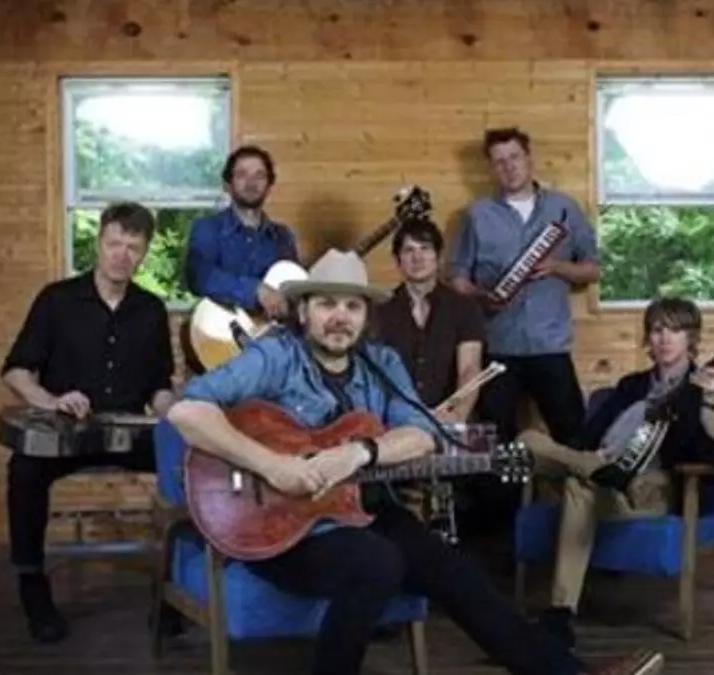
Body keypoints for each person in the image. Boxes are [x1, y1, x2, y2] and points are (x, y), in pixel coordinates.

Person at [166, 249, 664, 675]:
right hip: (280, 528)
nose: (339, 317)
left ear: (365, 315)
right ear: (303, 311)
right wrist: (273, 466)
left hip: (361, 511)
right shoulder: (276, 356)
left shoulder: (381, 364)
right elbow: (188, 411)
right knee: (377, 562)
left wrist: (360, 452)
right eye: (326, 304)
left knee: (456, 570)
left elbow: (422, 433)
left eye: (351, 306)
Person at [0, 202, 176, 644]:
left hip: (131, 432)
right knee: (24, 469)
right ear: (99, 243)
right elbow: (16, 372)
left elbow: (159, 387)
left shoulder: (151, 309)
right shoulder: (56, 300)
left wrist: (177, 415)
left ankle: (177, 593)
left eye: (133, 247)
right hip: (69, 434)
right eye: (114, 243)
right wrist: (53, 401)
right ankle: (33, 587)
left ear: (144, 252)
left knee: (190, 464)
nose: (122, 254)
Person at [518, 297, 714, 649]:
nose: (664, 338)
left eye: (675, 330)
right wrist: (592, 457)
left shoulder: (711, 388)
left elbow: (708, 455)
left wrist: (708, 402)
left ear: (691, 338)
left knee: (570, 475)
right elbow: (588, 437)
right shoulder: (631, 386)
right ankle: (560, 616)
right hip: (605, 482)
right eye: (657, 330)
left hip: (650, 489)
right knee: (530, 441)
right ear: (648, 338)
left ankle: (559, 611)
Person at [448, 125, 600, 524]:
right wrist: (482, 295)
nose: (509, 167)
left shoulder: (564, 209)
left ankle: (585, 523)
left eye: (514, 157)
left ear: (529, 158)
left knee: (573, 436)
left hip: (550, 345)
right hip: (497, 345)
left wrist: (557, 267)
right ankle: (505, 529)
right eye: (499, 162)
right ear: (491, 168)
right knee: (497, 443)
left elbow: (592, 269)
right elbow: (458, 278)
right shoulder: (476, 215)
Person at [371, 216, 486, 541]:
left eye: (425, 248)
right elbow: (375, 375)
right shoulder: (379, 310)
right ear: (397, 261)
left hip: (450, 418)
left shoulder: (464, 308)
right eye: (408, 250)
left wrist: (457, 415)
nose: (417, 257)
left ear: (438, 256)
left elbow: (470, 368)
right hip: (397, 423)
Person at [182, 144, 299, 322]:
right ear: (228, 184)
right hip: (219, 334)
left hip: (273, 334)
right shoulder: (207, 229)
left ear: (269, 186)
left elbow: (293, 288)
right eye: (242, 174)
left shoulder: (283, 236)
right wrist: (255, 290)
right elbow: (199, 277)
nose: (251, 183)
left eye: (259, 175)